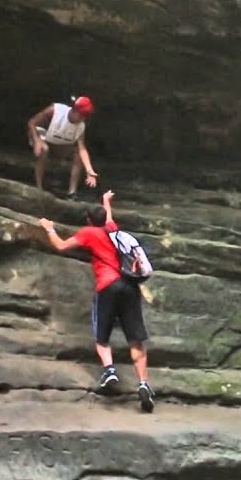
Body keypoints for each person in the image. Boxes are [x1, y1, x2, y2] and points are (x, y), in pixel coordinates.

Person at [38, 190, 155, 413]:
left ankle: (109, 371)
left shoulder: (89, 232)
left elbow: (61, 246)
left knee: (101, 335)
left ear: (89, 220)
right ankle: (143, 384)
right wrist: (106, 202)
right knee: (136, 339)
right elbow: (109, 219)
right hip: (130, 286)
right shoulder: (112, 229)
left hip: (107, 286)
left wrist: (49, 228)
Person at [28, 96, 99, 197]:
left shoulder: (81, 126)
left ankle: (72, 193)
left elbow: (82, 148)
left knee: (78, 155)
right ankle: (39, 188)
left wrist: (89, 169)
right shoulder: (55, 110)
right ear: (74, 110)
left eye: (85, 116)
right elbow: (32, 123)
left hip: (58, 144)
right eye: (81, 115)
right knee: (44, 149)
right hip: (42, 139)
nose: (82, 118)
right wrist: (37, 140)